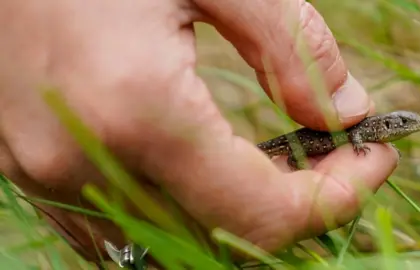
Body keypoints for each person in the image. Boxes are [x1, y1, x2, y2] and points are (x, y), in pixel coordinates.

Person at [0, 0, 398, 266]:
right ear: (385, 126)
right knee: (285, 152)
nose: (405, 128)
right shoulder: (366, 131)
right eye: (400, 123)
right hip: (296, 141)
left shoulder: (366, 131)